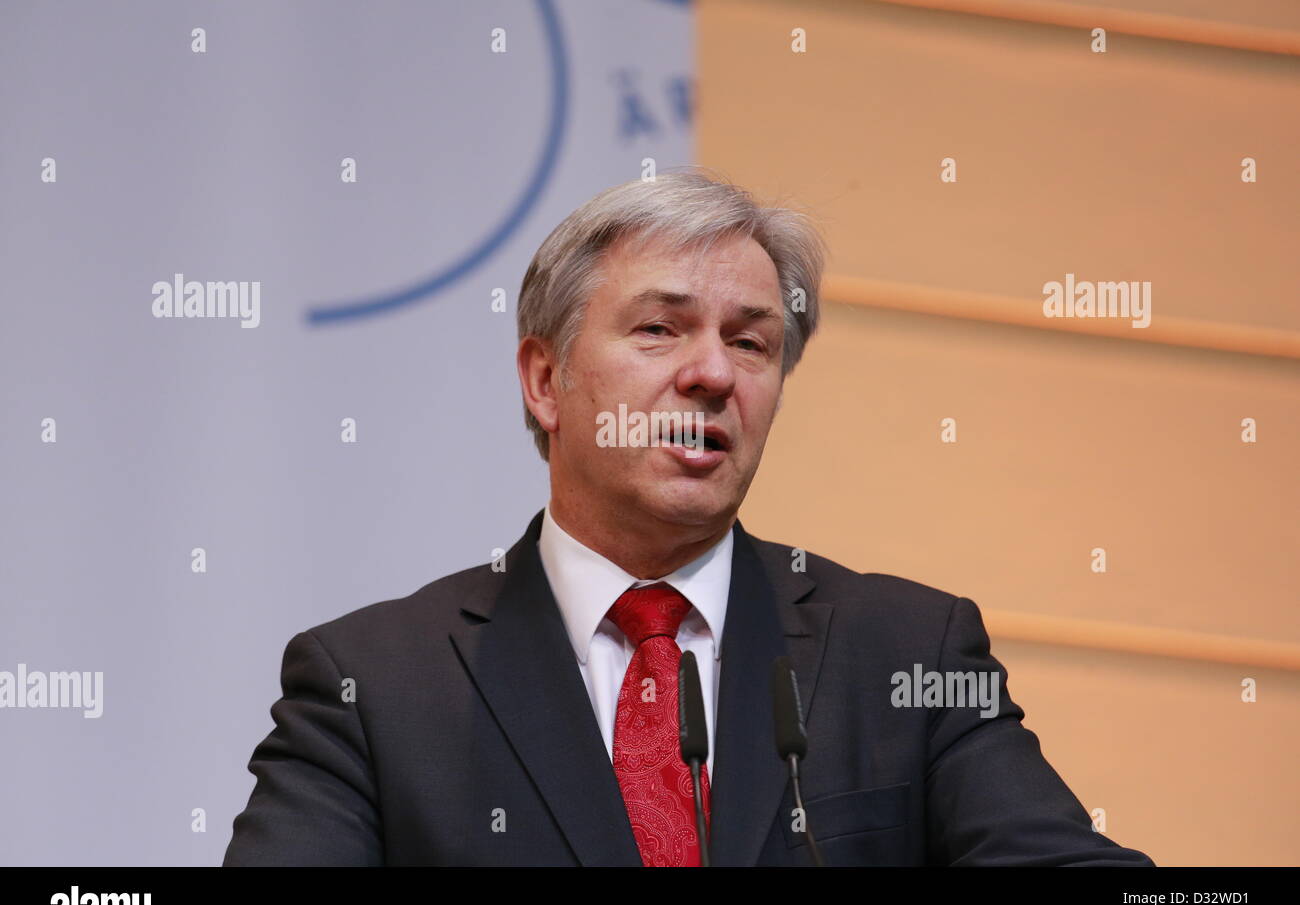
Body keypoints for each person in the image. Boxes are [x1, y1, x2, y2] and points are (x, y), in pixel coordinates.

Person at [223, 170, 1154, 866]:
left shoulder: (906, 650)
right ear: (547, 382)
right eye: (660, 329)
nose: (714, 373)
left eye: (752, 342)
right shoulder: (376, 687)